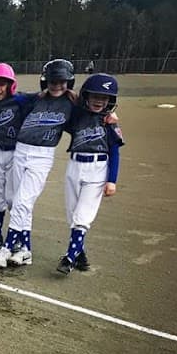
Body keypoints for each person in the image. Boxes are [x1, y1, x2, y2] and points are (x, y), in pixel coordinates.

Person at [0, 59, 77, 268]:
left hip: (42, 156)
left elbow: (93, 114)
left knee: (22, 201)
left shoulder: (73, 104)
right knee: (16, 201)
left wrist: (110, 115)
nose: (57, 85)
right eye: (52, 81)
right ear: (44, 82)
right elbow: (10, 98)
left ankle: (7, 247)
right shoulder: (33, 100)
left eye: (61, 81)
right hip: (20, 151)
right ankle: (25, 250)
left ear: (69, 82)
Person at [56, 73, 124, 274]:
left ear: (110, 101)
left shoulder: (109, 122)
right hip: (75, 166)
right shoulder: (77, 116)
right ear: (86, 96)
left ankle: (69, 258)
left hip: (97, 169)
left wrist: (112, 181)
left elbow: (115, 152)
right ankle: (80, 254)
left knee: (82, 216)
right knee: (72, 214)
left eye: (104, 98)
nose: (99, 101)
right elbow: (64, 107)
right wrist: (67, 94)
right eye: (94, 96)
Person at [0, 63, 39, 253]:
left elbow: (49, 97)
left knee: (14, 198)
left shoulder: (20, 100)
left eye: (2, 84)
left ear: (10, 85)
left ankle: (19, 237)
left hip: (17, 153)